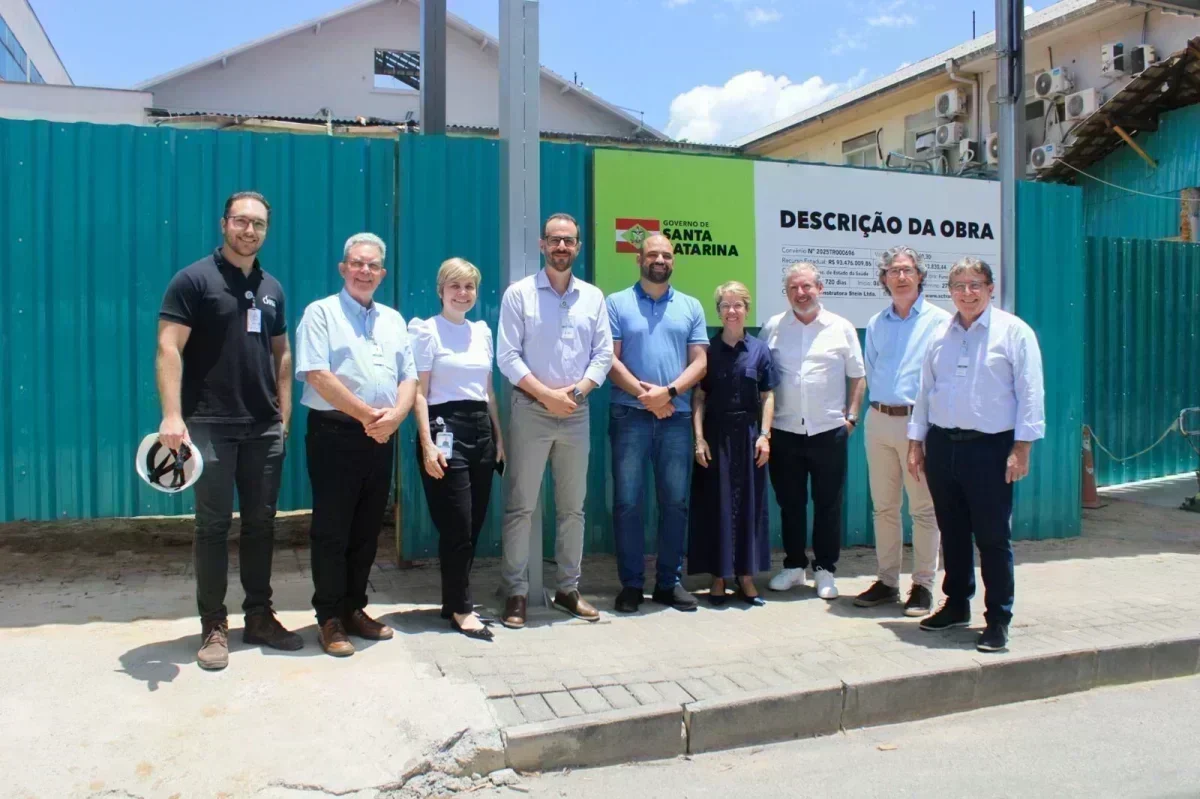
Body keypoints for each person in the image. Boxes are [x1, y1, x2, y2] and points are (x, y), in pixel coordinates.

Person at [157, 190, 302, 671]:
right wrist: (172, 416)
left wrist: (283, 416)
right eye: (242, 221)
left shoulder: (272, 288)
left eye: (259, 224)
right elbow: (168, 348)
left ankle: (259, 615)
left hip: (263, 428)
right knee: (213, 528)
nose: (250, 231)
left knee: (262, 525)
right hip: (210, 426)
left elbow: (281, 352)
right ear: (224, 224)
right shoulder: (193, 280)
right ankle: (213, 625)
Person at [907, 257, 1044, 653]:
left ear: (990, 288)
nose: (967, 293)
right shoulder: (940, 335)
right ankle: (956, 603)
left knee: (992, 536)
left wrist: (1022, 448)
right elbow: (924, 392)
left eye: (975, 285)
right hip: (943, 445)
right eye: (959, 286)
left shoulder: (1014, 332)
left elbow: (1031, 393)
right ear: (949, 293)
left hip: (991, 448)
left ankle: (998, 617)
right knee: (951, 530)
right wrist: (917, 443)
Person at [294, 233, 417, 657]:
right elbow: (316, 374)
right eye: (357, 263)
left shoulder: (394, 319)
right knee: (332, 530)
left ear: (381, 274)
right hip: (335, 434)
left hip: (381, 435)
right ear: (343, 268)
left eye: (372, 266)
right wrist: (369, 417)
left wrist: (397, 417)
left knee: (366, 529)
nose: (364, 271)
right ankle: (328, 617)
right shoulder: (321, 314)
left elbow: (409, 376)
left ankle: (354, 608)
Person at [496, 213, 613, 628]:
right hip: (531, 410)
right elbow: (507, 356)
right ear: (543, 245)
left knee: (572, 509)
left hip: (576, 413)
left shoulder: (593, 298)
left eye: (569, 241)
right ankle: (516, 592)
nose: (562, 247)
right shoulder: (519, 295)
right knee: (521, 506)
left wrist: (577, 394)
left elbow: (603, 356)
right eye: (555, 240)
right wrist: (547, 395)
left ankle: (567, 589)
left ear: (578, 247)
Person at [606, 232, 708, 614]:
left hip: (676, 417)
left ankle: (669, 582)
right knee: (628, 503)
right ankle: (631, 584)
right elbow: (609, 360)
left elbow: (700, 361)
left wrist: (668, 392)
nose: (660, 260)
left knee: (676, 503)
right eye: (653, 254)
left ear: (674, 260)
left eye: (666, 254)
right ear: (639, 259)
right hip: (629, 415)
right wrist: (644, 397)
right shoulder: (616, 303)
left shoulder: (690, 306)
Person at [411, 258, 504, 641]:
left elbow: (488, 390)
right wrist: (427, 444)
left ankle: (453, 599)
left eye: (469, 287)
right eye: (455, 286)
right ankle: (463, 609)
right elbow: (418, 392)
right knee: (458, 525)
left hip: (480, 428)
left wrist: (500, 438)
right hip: (443, 428)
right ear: (441, 290)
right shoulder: (425, 331)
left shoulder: (481, 331)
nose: (462, 293)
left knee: (475, 523)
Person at [760, 263, 866, 601]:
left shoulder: (841, 327)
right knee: (790, 503)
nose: (801, 293)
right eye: (794, 288)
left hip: (828, 430)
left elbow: (858, 376)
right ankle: (793, 566)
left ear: (819, 288)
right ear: (787, 292)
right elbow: (763, 378)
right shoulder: (774, 328)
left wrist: (851, 418)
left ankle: (825, 569)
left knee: (828, 503)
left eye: (807, 287)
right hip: (785, 430)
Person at [855, 246, 950, 617]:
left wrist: (922, 429)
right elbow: (872, 370)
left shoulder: (940, 321)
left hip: (918, 424)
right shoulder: (877, 323)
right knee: (884, 507)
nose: (900, 276)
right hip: (878, 419)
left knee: (924, 509)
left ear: (920, 276)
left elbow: (940, 379)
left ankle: (924, 585)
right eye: (893, 271)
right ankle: (887, 581)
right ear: (884, 279)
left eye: (907, 270)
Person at [689, 282, 778, 607]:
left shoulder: (760, 350)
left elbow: (768, 396)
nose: (731, 311)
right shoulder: (707, 352)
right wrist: (698, 440)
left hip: (749, 437)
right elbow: (699, 397)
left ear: (746, 309)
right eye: (725, 305)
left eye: (737, 305)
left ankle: (746, 576)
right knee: (718, 506)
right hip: (716, 437)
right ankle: (718, 576)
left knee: (750, 508)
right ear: (719, 311)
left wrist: (765, 435)